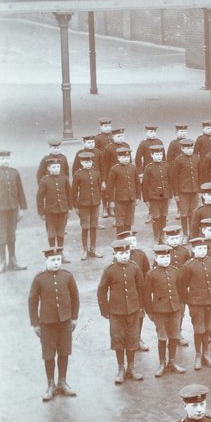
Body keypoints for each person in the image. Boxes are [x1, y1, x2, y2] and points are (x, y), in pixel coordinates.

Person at [28, 247, 79, 401]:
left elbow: (75, 297)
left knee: (64, 352)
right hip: (47, 323)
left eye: (58, 260)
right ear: (46, 261)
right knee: (49, 354)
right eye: (53, 260)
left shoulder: (67, 276)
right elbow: (32, 301)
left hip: (65, 322)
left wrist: (74, 318)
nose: (56, 263)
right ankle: (50, 384)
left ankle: (62, 382)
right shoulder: (39, 279)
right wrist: (35, 324)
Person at [97, 239, 146, 383]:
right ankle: (120, 369)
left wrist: (141, 307)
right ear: (115, 254)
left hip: (133, 310)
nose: (124, 256)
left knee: (132, 339)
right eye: (121, 253)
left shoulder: (135, 267)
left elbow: (141, 288)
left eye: (126, 253)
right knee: (118, 340)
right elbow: (101, 291)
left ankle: (131, 368)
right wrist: (105, 311)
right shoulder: (109, 270)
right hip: (116, 313)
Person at [143, 244, 188, 377]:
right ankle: (162, 363)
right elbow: (146, 295)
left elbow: (181, 290)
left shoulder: (175, 271)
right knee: (162, 337)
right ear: (156, 259)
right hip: (159, 311)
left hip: (174, 309)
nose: (166, 260)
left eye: (167, 257)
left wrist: (180, 306)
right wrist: (150, 312)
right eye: (162, 257)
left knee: (174, 336)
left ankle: (172, 362)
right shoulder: (151, 275)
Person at [178, 237, 211, 370]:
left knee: (207, 328)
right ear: (193, 249)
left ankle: (206, 354)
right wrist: (189, 300)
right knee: (199, 329)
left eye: (204, 249)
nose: (202, 251)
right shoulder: (188, 266)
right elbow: (182, 285)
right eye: (199, 249)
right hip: (196, 302)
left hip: (210, 301)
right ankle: (198, 355)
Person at [0, 149, 28, 273]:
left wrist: (21, 209)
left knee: (12, 234)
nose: (5, 161)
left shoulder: (14, 172)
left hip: (13, 209)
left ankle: (13, 260)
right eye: (2, 159)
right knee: (1, 235)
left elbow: (20, 191)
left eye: (7, 158)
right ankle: (2, 262)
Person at [36, 156, 71, 255]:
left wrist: (70, 208)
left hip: (63, 210)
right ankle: (52, 253)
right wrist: (41, 212)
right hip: (50, 211)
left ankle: (60, 254)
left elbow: (69, 194)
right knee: (51, 233)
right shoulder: (44, 180)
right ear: (48, 168)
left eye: (58, 167)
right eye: (54, 167)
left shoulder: (64, 179)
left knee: (61, 232)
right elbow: (39, 197)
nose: (56, 169)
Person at [72, 151, 103, 259]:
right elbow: (74, 191)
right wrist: (75, 206)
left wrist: (99, 200)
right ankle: (85, 250)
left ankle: (93, 249)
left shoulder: (96, 173)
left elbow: (99, 188)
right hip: (83, 204)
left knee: (94, 226)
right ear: (81, 162)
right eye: (85, 162)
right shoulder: (77, 175)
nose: (88, 164)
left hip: (95, 203)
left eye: (90, 162)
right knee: (85, 227)